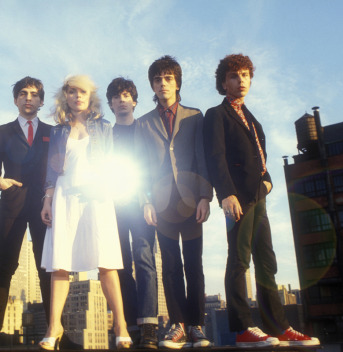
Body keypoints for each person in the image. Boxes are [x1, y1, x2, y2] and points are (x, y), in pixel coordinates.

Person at [203, 53, 320, 348]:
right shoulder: (217, 115)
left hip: (259, 196)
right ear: (223, 82)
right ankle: (243, 328)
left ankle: (278, 327)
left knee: (266, 261)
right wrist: (226, 193)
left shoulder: (252, 118)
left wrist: (268, 180)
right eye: (233, 75)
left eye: (244, 75)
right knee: (239, 260)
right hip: (237, 198)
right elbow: (215, 157)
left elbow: (260, 157)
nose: (240, 80)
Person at [39, 75, 132, 350]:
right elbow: (51, 170)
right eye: (72, 91)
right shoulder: (57, 131)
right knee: (60, 264)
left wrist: (103, 187)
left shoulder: (104, 127)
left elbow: (112, 163)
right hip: (64, 195)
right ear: (65, 96)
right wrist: (47, 200)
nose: (77, 96)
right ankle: (54, 326)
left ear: (90, 96)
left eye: (83, 92)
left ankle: (120, 325)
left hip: (97, 196)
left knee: (106, 263)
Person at [135, 56, 212, 349]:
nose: (162, 83)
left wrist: (206, 195)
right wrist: (145, 201)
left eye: (167, 78)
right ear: (152, 86)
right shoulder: (143, 123)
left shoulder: (194, 116)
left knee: (194, 263)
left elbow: (203, 158)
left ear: (177, 82)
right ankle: (177, 325)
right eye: (157, 79)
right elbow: (139, 165)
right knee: (170, 264)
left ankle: (197, 325)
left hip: (192, 200)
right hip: (161, 202)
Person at [0, 77, 55, 351]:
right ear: (15, 100)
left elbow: (60, 168)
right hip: (11, 203)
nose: (28, 98)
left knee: (47, 267)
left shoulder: (53, 132)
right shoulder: (1, 131)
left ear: (41, 101)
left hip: (45, 207)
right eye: (23, 94)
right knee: (4, 266)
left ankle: (54, 334)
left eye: (34, 95)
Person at [106, 77, 158, 349]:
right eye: (116, 96)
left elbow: (154, 167)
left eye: (127, 95)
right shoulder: (106, 135)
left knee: (144, 258)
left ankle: (149, 326)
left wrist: (148, 198)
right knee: (120, 265)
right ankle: (129, 327)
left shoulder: (146, 129)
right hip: (112, 204)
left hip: (142, 203)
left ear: (135, 101)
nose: (122, 99)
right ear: (111, 104)